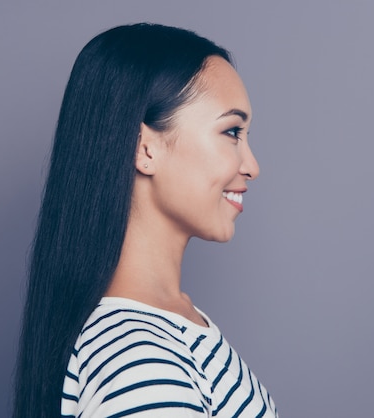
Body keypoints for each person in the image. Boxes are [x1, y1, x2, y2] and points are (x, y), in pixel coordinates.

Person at [14, 23, 278, 418]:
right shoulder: (138, 360)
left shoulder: (175, 325)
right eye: (231, 131)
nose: (252, 166)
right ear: (145, 148)